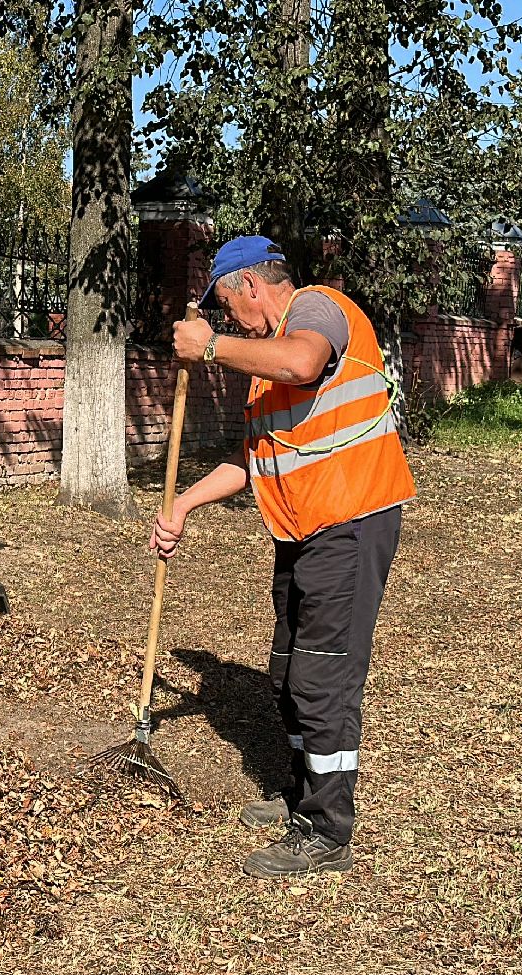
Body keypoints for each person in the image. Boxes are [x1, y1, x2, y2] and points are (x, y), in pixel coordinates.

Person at [154, 235, 416, 879]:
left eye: (227, 308)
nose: (227, 323)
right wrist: (182, 505)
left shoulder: (318, 311)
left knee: (321, 678)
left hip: (351, 520)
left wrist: (211, 348)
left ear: (250, 285)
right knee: (284, 671)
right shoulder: (266, 375)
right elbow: (251, 462)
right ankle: (301, 795)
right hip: (301, 530)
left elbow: (302, 362)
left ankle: (327, 828)